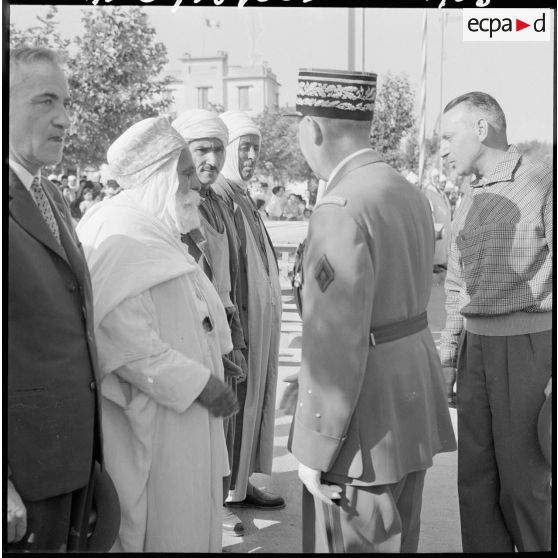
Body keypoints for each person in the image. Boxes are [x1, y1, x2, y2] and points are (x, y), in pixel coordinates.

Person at [286, 68, 456, 553]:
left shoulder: (340, 207)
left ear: (312, 129)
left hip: (362, 420)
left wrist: (315, 444)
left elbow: (337, 337)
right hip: (407, 397)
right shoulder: (404, 190)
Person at [76, 116, 238, 552]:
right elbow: (125, 346)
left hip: (183, 415)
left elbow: (191, 303)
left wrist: (219, 350)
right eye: (184, 173)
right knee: (166, 529)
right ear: (158, 177)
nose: (194, 183)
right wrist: (202, 383)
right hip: (154, 421)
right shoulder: (119, 235)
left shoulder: (152, 226)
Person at [8, 46, 119, 552]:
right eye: (45, 101)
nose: (65, 119)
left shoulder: (48, 195)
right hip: (23, 478)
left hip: (68, 462)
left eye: (66, 103)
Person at [439, 91, 552, 552]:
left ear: (481, 129)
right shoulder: (468, 196)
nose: (442, 150)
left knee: (526, 486)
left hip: (529, 351)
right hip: (476, 354)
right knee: (476, 487)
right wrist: (449, 357)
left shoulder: (543, 182)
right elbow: (456, 285)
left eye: (449, 137)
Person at [171, 108, 249, 537]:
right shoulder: (173, 204)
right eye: (202, 149)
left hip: (219, 331)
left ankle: (215, 506)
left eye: (219, 149)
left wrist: (233, 339)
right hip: (186, 338)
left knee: (220, 428)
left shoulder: (216, 202)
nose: (213, 160)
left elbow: (225, 280)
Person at [213, 110, 284, 511]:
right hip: (239, 321)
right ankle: (227, 492)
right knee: (239, 401)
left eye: (256, 148)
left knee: (255, 398)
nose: (252, 156)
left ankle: (241, 483)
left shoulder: (240, 196)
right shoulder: (219, 196)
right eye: (245, 147)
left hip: (259, 320)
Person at [423, 167, 452, 268]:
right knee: (436, 243)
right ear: (430, 177)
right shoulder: (429, 190)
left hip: (442, 223)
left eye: (438, 177)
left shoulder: (437, 189)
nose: (437, 179)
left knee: (442, 243)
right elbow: (429, 206)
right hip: (435, 221)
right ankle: (434, 264)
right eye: (435, 177)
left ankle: (440, 262)